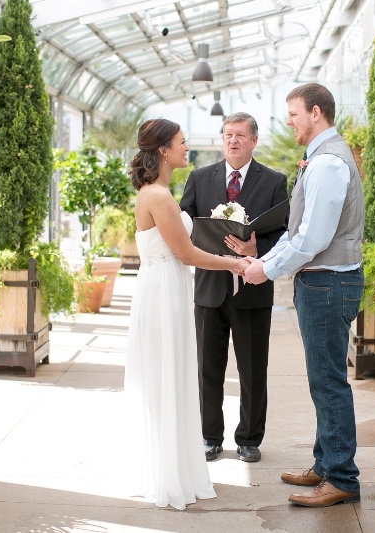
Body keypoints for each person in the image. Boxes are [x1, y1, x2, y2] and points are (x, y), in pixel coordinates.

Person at [244, 83, 364, 507]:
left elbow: (312, 238)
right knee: (322, 379)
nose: (289, 121)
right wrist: (263, 260)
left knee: (329, 381)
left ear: (316, 112)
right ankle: (327, 464)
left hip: (328, 284)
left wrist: (267, 269)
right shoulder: (321, 158)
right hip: (323, 282)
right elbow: (298, 232)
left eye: (293, 113)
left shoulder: (329, 163)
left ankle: (343, 478)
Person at [124, 118, 247, 510]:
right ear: (162, 150)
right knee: (168, 375)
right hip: (163, 291)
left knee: (174, 375)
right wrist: (234, 264)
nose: (186, 146)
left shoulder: (160, 191)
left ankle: (175, 467)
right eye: (181, 141)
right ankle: (169, 474)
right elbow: (188, 254)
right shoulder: (158, 196)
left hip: (168, 286)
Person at [180, 112, 288, 463]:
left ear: (254, 140)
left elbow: (284, 234)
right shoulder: (199, 178)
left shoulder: (273, 181)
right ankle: (210, 437)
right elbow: (184, 226)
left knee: (253, 370)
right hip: (210, 289)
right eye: (228, 134)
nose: (233, 141)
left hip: (253, 289)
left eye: (240, 135)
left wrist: (258, 249)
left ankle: (249, 439)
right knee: (207, 367)